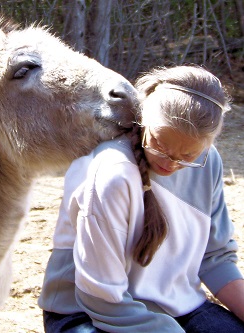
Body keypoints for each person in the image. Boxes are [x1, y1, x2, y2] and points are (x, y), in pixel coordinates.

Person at [38, 65, 244, 332]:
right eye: (159, 144)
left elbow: (215, 257)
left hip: (177, 305)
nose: (170, 164)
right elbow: (101, 297)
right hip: (85, 313)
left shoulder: (208, 162)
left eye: (188, 156)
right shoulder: (113, 174)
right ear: (144, 117)